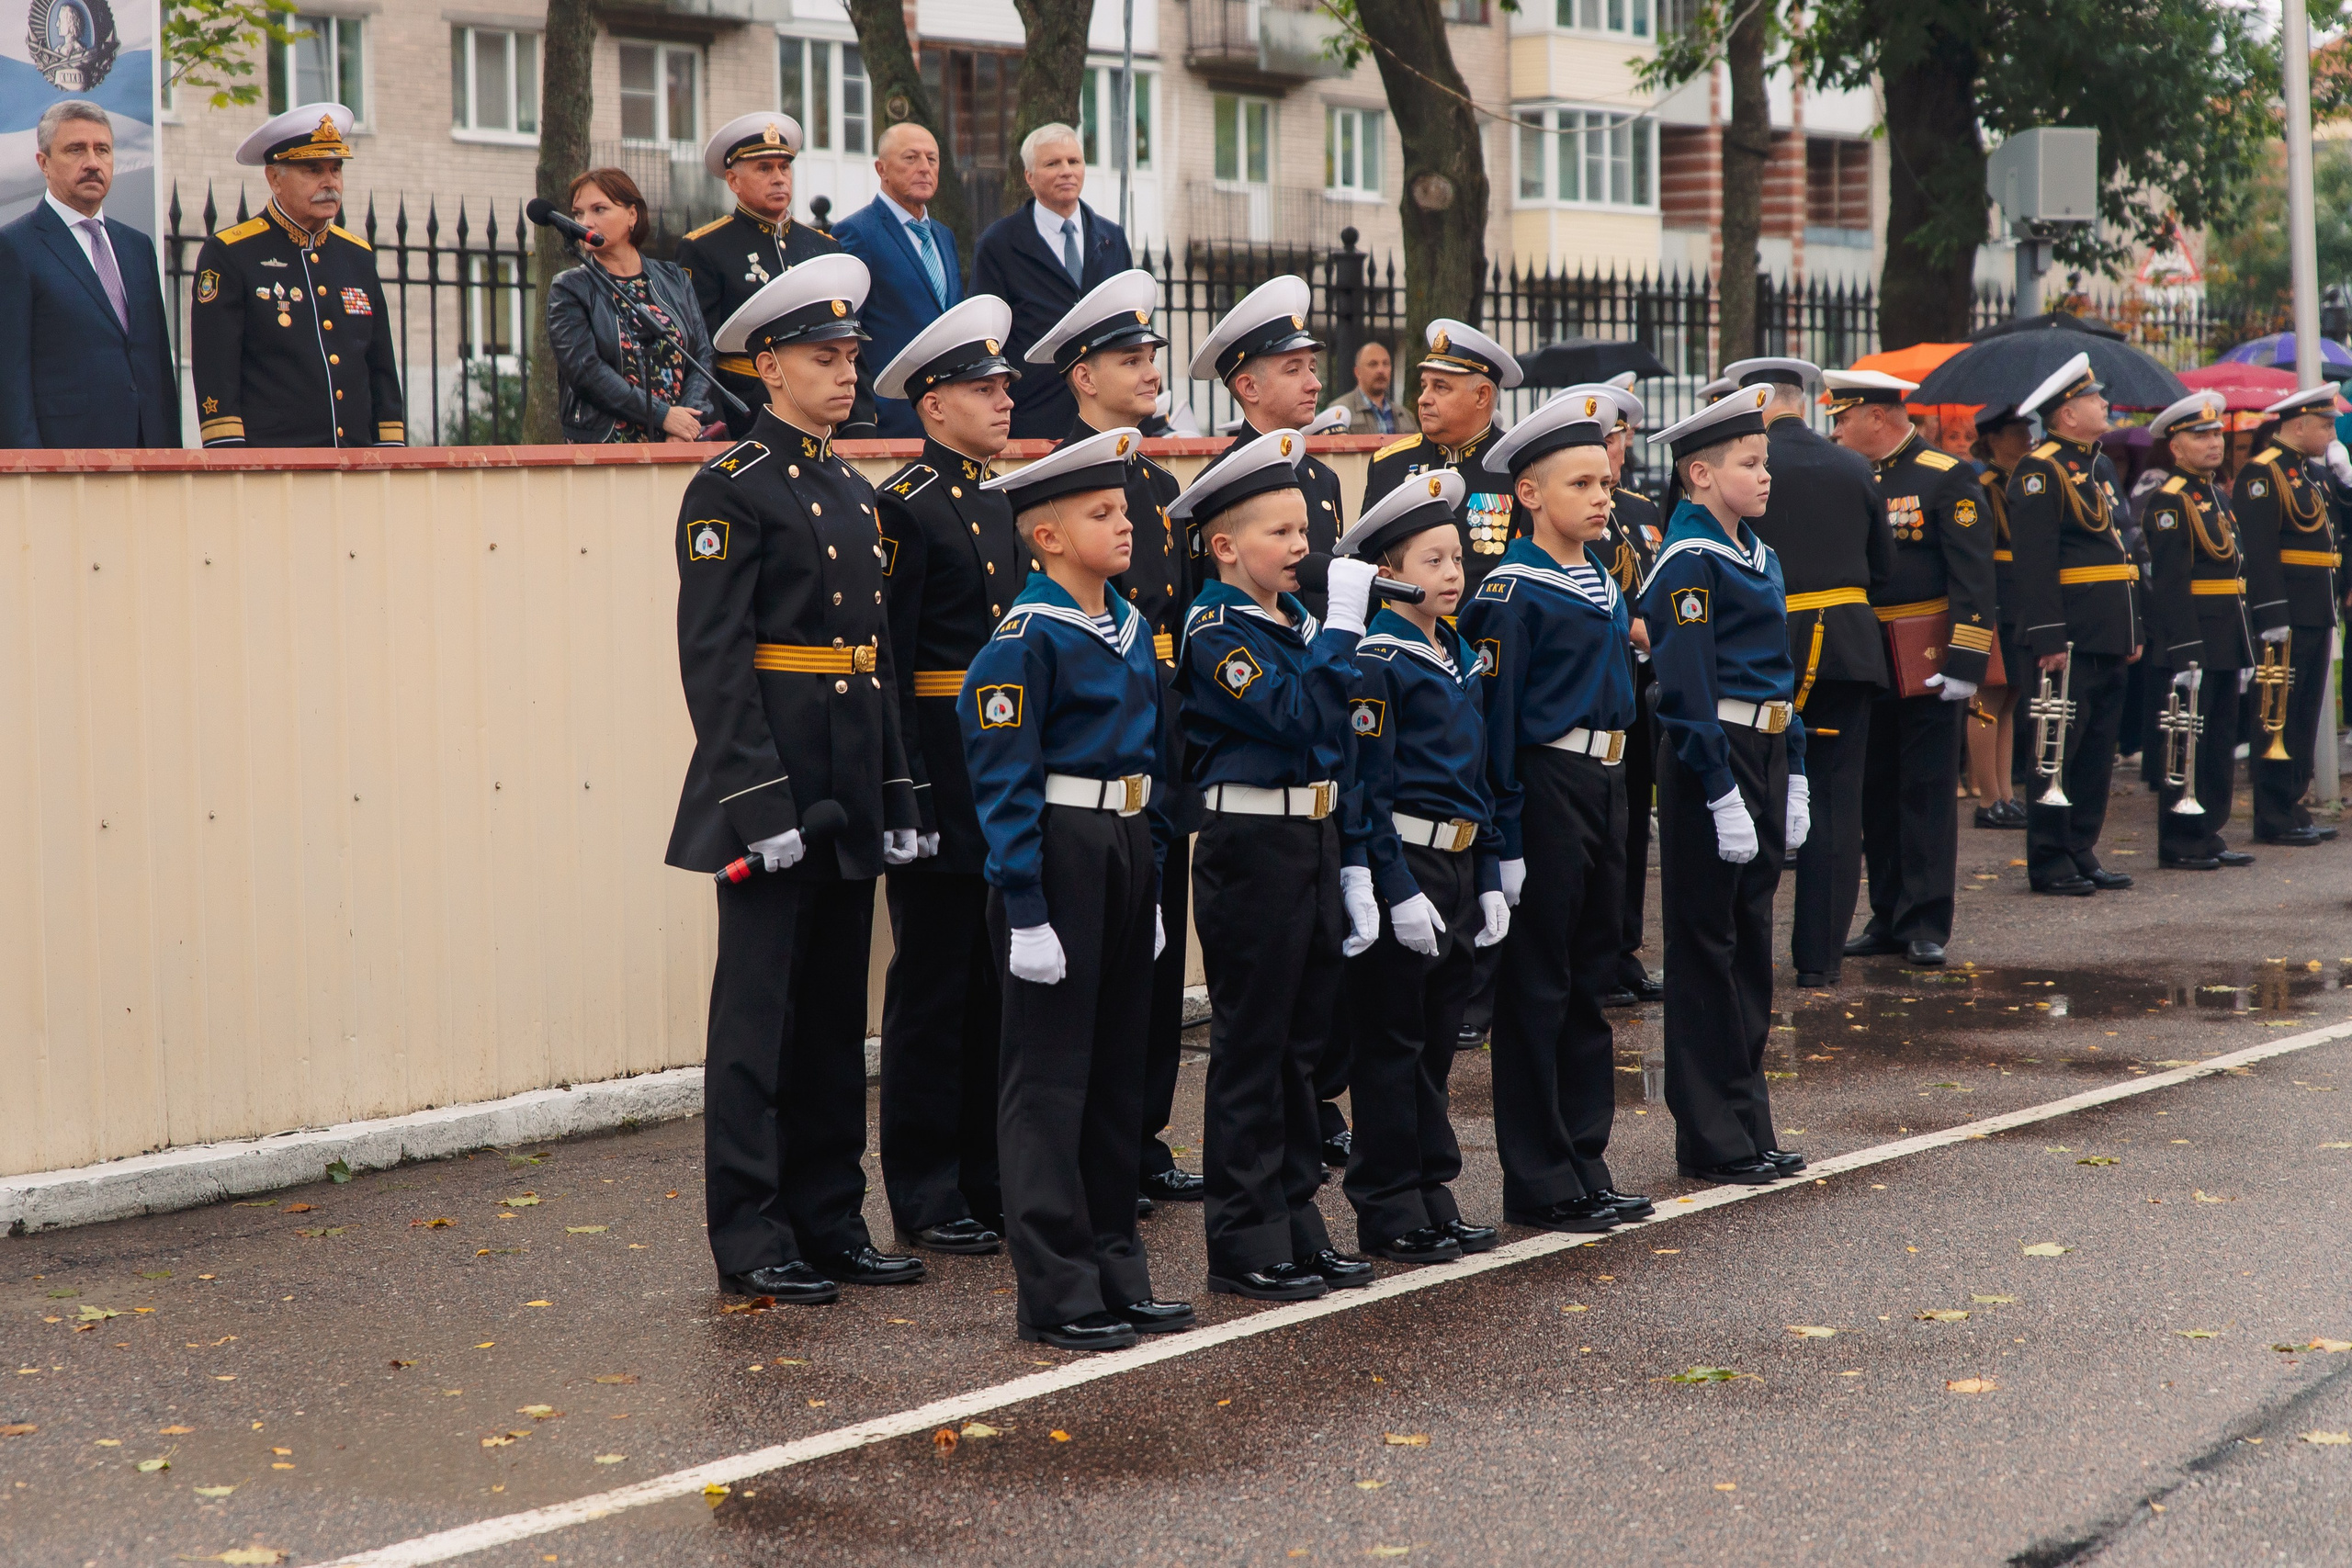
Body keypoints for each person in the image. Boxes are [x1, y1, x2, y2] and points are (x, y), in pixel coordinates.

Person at [665, 252, 925, 1304]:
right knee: (758, 1025)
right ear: (768, 367)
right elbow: (716, 662)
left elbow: (877, 662)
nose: (845, 373)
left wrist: (897, 794)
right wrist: (756, 804)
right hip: (774, 786)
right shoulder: (728, 488)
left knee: (830, 1022)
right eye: (824, 358)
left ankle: (830, 1219)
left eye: (850, 356)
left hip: (848, 781)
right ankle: (751, 1232)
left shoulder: (851, 491)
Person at [961, 427, 1193, 1352]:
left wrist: (1151, 887)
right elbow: (1003, 783)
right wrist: (1025, 907)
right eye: (1102, 513)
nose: (1126, 524)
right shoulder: (1024, 641)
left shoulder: (1127, 626)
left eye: (1123, 508)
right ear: (1048, 537)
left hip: (1124, 846)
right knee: (1049, 1083)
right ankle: (1057, 1290)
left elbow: (1154, 767)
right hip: (1058, 852)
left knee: (1113, 1076)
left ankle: (1115, 1270)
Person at [1174, 429, 1380, 1302]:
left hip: (1312, 838)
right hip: (1251, 846)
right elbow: (1294, 713)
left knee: (1304, 1049)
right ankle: (1244, 1238)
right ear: (1225, 547)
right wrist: (1343, 631)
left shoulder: (1295, 621)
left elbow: (1340, 738)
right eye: (1281, 532)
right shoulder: (1216, 629)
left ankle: (1297, 1220)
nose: (1303, 546)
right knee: (1254, 1048)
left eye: (1305, 529)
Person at [1026, 270, 1203, 1208]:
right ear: (1083, 377)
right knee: (1088, 967)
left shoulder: (1159, 485)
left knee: (1155, 950)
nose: (1149, 371)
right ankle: (1091, 1151)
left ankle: (1140, 1134)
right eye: (1129, 359)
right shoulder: (1054, 483)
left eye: (1151, 357)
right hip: (1086, 738)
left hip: (1153, 722)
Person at [1461, 389, 1647, 1230]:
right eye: (1581, 483)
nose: (1602, 496)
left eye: (1604, 481)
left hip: (1604, 782)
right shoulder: (1511, 591)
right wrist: (1503, 839)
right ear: (1529, 494)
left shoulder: (1600, 577)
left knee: (1588, 977)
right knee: (1538, 984)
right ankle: (1539, 1176)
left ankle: (1584, 1157)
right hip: (1544, 786)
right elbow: (1496, 727)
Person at [870, 296, 1025, 1258]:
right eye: (982, 388)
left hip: (999, 779)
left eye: (1004, 385)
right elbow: (891, 665)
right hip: (941, 777)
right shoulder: (906, 506)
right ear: (932, 406)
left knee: (993, 990)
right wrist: (910, 790)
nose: (1003, 400)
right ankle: (926, 1191)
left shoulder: (1006, 502)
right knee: (933, 991)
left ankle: (986, 1175)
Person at [1333, 469, 1507, 1262]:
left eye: (1456, 557)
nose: (1451, 573)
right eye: (1432, 560)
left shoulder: (1457, 651)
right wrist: (1394, 886)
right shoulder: (1378, 660)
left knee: (1435, 1043)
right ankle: (1387, 1203)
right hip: (1405, 861)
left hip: (1459, 866)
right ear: (1389, 571)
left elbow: (1479, 777)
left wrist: (1492, 870)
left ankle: (1433, 1190)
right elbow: (1364, 788)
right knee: (1391, 1044)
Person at [1638, 386, 1808, 1187]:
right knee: (1706, 946)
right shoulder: (1689, 560)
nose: (1765, 474)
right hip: (1716, 756)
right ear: (1700, 474)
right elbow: (1686, 687)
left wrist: (1795, 769)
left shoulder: (1758, 554)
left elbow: (1779, 672)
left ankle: (1748, 1118)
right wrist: (1717, 789)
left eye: (1764, 460)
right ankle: (1710, 1133)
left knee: (1749, 945)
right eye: (1749, 462)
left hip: (1763, 748)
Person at [1824, 367, 1996, 971]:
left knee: (1925, 791)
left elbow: (1973, 575)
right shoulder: (1850, 475)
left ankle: (1925, 921)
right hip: (1869, 653)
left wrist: (1965, 659)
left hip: (1927, 654)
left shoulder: (1946, 476)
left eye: (1843, 419)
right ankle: (1887, 914)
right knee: (1875, 791)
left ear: (1877, 416)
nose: (1836, 431)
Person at [1722, 358, 1885, 990]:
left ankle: (1742, 954)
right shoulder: (1854, 466)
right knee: (1837, 802)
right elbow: (1883, 566)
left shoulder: (1740, 469)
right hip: (1847, 647)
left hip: (1764, 646)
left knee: (1754, 794)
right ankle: (1821, 958)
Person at [2006, 353, 2143, 897]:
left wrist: (2132, 628)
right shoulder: (2040, 471)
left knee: (2096, 750)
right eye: (2094, 398)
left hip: (2107, 628)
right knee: (2056, 746)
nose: (2105, 404)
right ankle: (2049, 857)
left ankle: (2081, 846)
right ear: (2066, 414)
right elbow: (2034, 561)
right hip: (2067, 632)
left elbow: (2121, 552)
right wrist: (2047, 636)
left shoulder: (2098, 467)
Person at [187, 104, 403, 447]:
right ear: (275, 179)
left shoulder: (357, 256)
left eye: (336, 169)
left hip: (356, 459)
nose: (330, 183)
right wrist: (229, 455)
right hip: (274, 462)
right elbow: (217, 367)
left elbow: (380, 366)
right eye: (313, 170)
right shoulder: (232, 253)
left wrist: (389, 446)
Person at [0, 101, 178, 448]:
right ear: (44, 163)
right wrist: (29, 465)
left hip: (146, 456)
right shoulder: (15, 247)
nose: (93, 163)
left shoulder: (137, 247)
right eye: (76, 150)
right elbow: (10, 375)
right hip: (66, 458)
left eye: (103, 150)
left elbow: (157, 364)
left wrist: (170, 455)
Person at [674, 112, 848, 440]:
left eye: (784, 167)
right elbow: (699, 350)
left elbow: (845, 338)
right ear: (733, 181)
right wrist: (715, 425)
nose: (779, 178)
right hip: (747, 414)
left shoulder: (824, 246)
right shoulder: (706, 248)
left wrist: (859, 424)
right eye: (764, 169)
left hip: (819, 412)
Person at [2140, 392, 2256, 870]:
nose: (2214, 443)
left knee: (2220, 737)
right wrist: (2186, 650)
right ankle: (2181, 839)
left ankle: (2208, 830)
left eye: (2216, 434)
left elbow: (2234, 571)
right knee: (2188, 736)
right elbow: (2171, 584)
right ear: (2175, 446)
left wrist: (2245, 643)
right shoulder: (2169, 501)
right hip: (2195, 636)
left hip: (2226, 632)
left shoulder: (2215, 496)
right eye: (2200, 435)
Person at [1189, 276, 1347, 618]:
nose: (1315, 384)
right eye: (1293, 370)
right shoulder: (1219, 485)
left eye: (1312, 368)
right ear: (1249, 388)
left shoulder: (1324, 479)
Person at [974, 124, 1136, 439]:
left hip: (1107, 416)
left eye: (1074, 161)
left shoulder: (1112, 239)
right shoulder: (999, 244)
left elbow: (1129, 328)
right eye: (1052, 163)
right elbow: (986, 340)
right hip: (1032, 418)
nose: (1066, 171)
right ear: (1029, 177)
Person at [2234, 384, 2345, 847]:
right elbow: (2259, 551)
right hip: (2286, 611)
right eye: (2325, 425)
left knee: (2303, 712)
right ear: (2299, 425)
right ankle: (2273, 813)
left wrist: (2347, 484)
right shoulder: (2263, 473)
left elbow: (2338, 534)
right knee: (2276, 713)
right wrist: (2272, 613)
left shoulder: (2312, 473)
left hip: (2316, 607)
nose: (2331, 433)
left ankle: (2293, 804)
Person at [547, 167, 718, 445]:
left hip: (676, 440)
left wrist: (684, 424)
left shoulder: (674, 278)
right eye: (578, 213)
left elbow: (702, 355)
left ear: (632, 215)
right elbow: (586, 372)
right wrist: (663, 415)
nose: (586, 222)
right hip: (606, 445)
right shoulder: (570, 288)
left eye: (599, 210)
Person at [1361, 319, 1530, 596]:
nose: (1423, 399)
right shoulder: (1389, 464)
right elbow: (1366, 567)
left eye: (1440, 388)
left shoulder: (1519, 466)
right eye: (1424, 386)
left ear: (1482, 396)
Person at [1597, 383, 1665, 1008]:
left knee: (1633, 822)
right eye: (1609, 441)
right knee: (1600, 824)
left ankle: (1624, 949)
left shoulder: (1641, 508)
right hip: (1601, 679)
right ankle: (1597, 954)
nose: (1618, 450)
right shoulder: (1572, 509)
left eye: (1618, 440)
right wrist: (1634, 629)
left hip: (1646, 683)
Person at [834, 122, 963, 438]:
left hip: (948, 416)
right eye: (911, 158)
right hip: (889, 418)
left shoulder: (943, 236)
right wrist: (862, 418)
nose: (924, 168)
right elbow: (847, 333)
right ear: (882, 169)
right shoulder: (858, 232)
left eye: (932, 159)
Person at [1967, 405, 2037, 829]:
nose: (2027, 437)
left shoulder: (2024, 482)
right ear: (1992, 439)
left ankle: (2006, 794)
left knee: (2010, 698)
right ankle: (1988, 798)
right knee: (1987, 698)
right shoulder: (1983, 487)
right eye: (2016, 431)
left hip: (2021, 596)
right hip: (1996, 596)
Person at [1331, 340, 1417, 437]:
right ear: (1357, 372)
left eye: (1385, 364)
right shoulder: (1340, 412)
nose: (1381, 370)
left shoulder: (1406, 416)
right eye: (1373, 364)